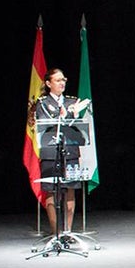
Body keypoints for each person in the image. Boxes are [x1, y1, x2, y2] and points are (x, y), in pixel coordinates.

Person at [30, 68, 86, 239]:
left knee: (70, 188)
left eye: (64, 80)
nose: (62, 83)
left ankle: (67, 231)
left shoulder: (72, 101)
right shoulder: (42, 102)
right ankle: (56, 233)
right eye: (58, 80)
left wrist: (74, 113)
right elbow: (48, 122)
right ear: (48, 83)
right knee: (51, 190)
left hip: (70, 151)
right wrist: (69, 113)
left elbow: (77, 125)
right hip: (50, 151)